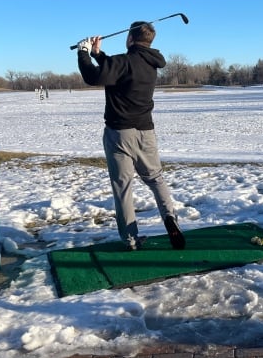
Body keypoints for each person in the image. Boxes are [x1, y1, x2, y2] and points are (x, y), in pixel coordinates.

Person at [76, 22, 185, 251]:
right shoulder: (151, 64)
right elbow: (116, 70)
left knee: (123, 187)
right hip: (146, 133)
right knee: (156, 179)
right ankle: (171, 219)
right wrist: (98, 54)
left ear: (130, 39)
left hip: (119, 135)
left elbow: (95, 77)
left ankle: (131, 239)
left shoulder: (123, 62)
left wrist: (83, 53)